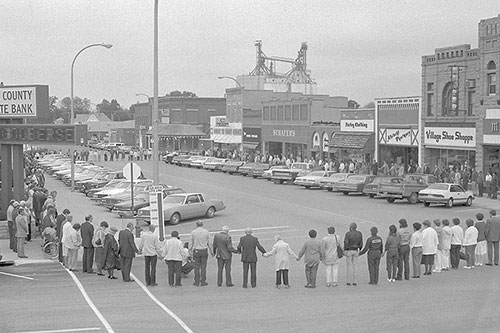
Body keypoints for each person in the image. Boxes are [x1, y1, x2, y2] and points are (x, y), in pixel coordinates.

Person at [190, 221, 212, 286]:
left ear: (196, 225)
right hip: (204, 250)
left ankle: (196, 281)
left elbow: (191, 242)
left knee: (196, 266)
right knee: (203, 266)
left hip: (196, 250)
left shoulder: (193, 232)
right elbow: (209, 242)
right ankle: (203, 281)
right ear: (202, 225)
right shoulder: (206, 232)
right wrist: (212, 251)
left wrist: (190, 251)